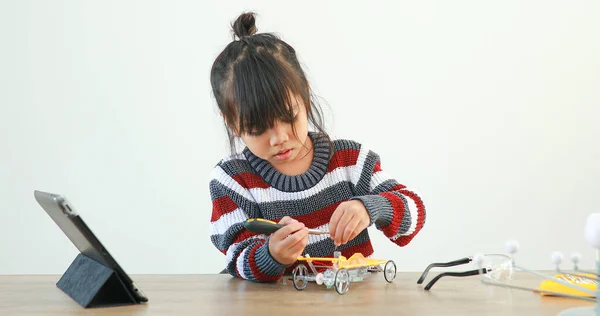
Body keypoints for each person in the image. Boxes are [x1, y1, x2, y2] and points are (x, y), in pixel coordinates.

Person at [209, 12, 426, 282]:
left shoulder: (350, 161)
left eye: (289, 118)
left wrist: (371, 208)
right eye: (257, 128)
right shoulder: (232, 180)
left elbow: (414, 213)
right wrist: (272, 254)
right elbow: (237, 259)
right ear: (231, 123)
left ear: (306, 96)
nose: (279, 138)